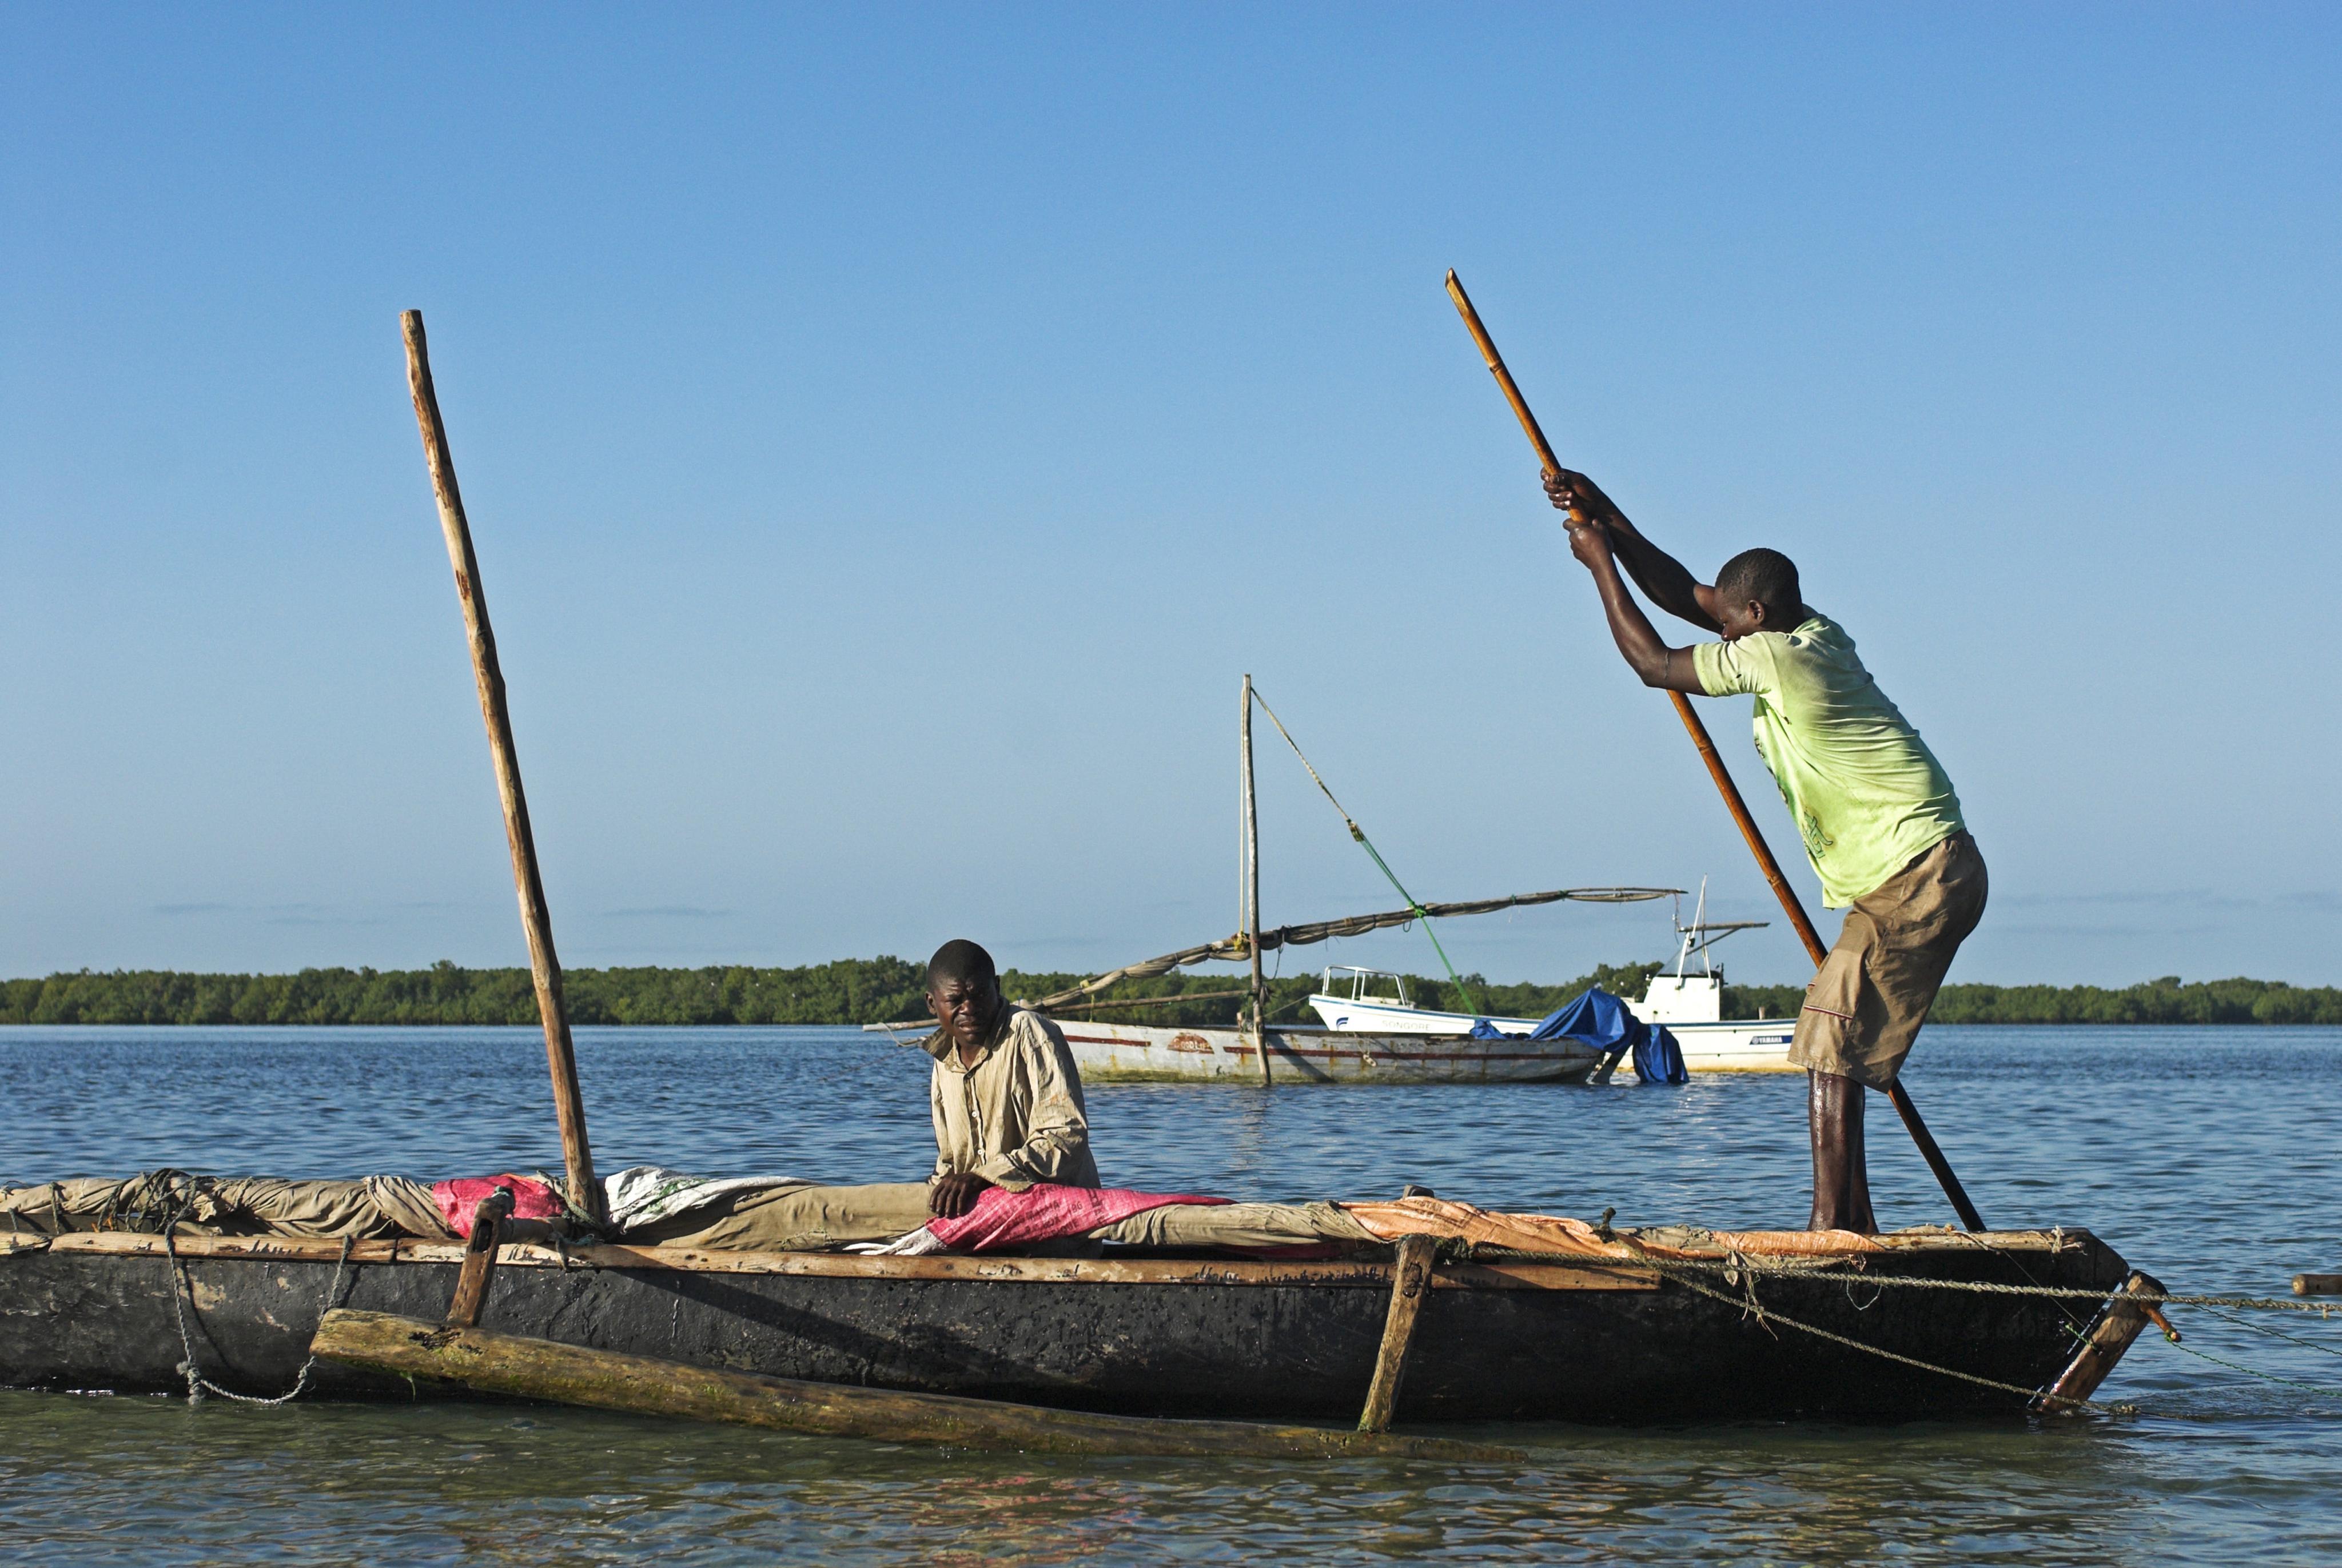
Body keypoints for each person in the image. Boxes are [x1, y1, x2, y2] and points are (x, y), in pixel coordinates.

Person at [1544, 470, 1986, 1232]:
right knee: (1836, 1044)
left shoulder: (1783, 657)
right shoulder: (1811, 629)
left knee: (1826, 1039)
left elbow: (1654, 664)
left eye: (1733, 626)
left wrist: (1599, 567)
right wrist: (1608, 517)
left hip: (1919, 873)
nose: (1723, 638)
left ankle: (1831, 1229)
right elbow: (1689, 594)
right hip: (1922, 869)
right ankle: (1854, 1224)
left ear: (1760, 616)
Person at [919, 938, 1100, 1219]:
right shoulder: (944, 1057)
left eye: (979, 995)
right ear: (932, 1004)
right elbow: (949, 1162)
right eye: (955, 1001)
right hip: (982, 1221)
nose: (969, 1009)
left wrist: (984, 1176)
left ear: (997, 988)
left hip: (1052, 1223)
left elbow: (1065, 1138)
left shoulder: (1030, 1033)